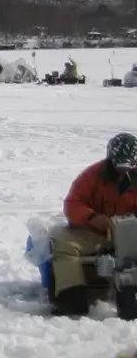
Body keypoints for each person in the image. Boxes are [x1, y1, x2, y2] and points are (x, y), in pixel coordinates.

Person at [52, 134, 137, 316]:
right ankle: (71, 297)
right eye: (119, 165)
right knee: (65, 247)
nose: (123, 170)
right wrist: (91, 217)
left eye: (128, 165)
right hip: (97, 230)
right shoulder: (92, 175)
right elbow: (73, 203)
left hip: (132, 233)